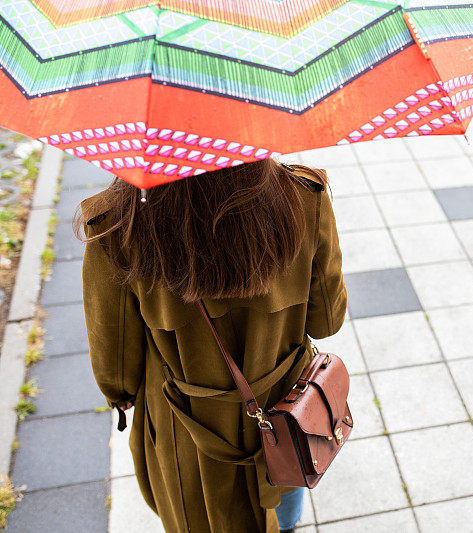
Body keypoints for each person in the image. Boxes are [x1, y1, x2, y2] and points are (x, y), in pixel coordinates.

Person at [76, 160, 347, 533]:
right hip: (285, 415)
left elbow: (117, 368)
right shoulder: (303, 196)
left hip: (188, 432)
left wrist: (118, 393)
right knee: (285, 495)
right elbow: (326, 320)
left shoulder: (115, 225)